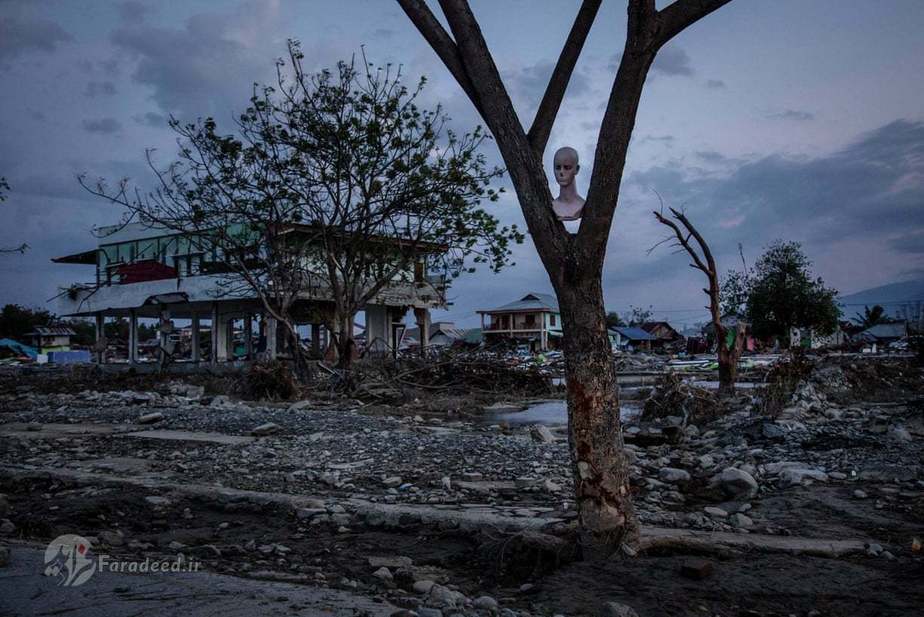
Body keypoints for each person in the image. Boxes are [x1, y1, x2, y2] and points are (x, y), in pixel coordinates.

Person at [551, 146, 585, 234]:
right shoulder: (552, 206)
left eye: (567, 167)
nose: (561, 172)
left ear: (576, 169)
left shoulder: (583, 205)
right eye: (557, 167)